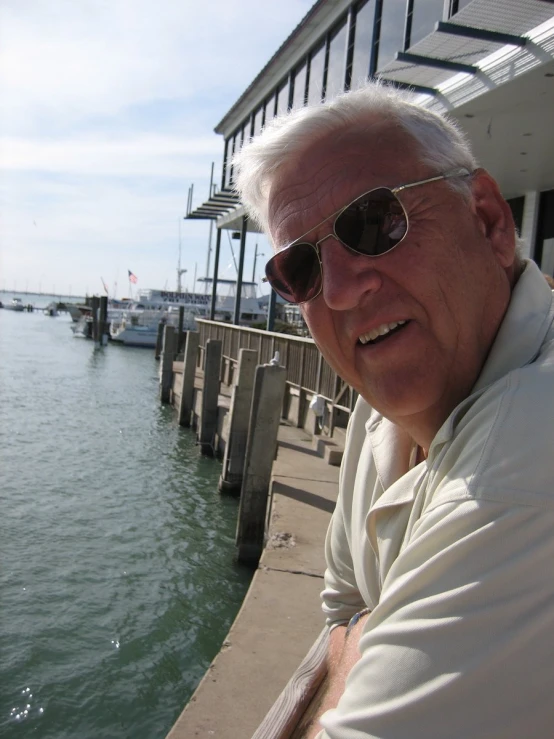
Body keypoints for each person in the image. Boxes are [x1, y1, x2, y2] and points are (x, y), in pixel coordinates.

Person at [234, 82, 554, 738]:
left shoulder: (529, 442)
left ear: (490, 221)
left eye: (373, 222)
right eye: (301, 269)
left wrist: (357, 668)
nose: (345, 291)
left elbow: (345, 641)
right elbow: (343, 609)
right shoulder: (375, 419)